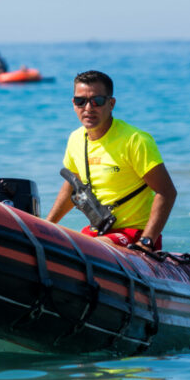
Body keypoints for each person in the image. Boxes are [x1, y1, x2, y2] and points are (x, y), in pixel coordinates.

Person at [44, 70, 177, 251]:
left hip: (133, 233)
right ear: (73, 104)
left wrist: (146, 241)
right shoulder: (75, 139)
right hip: (100, 231)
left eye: (97, 101)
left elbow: (166, 192)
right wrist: (46, 225)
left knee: (87, 248)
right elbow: (72, 187)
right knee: (58, 245)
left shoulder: (135, 140)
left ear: (111, 103)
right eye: (80, 101)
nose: (88, 108)